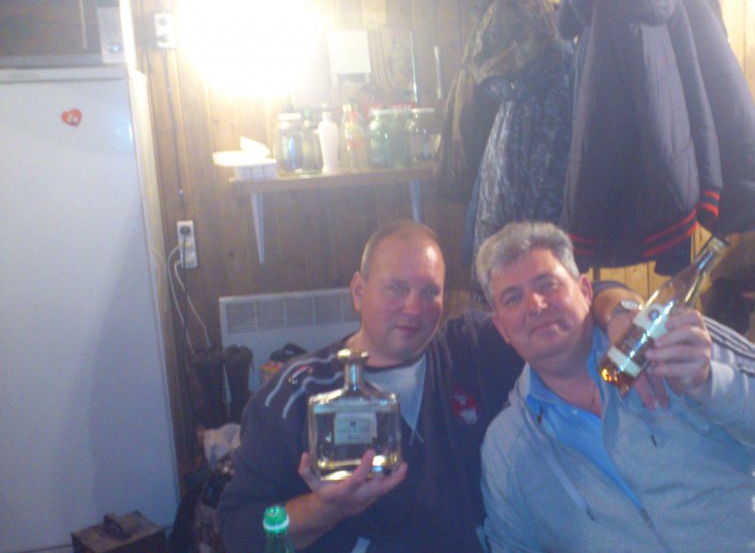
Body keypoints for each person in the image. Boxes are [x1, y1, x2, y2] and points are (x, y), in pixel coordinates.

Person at [218, 220, 638, 552]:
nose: (413, 308)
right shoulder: (296, 393)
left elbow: (575, 298)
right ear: (359, 291)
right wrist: (324, 509)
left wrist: (622, 313)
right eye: (396, 289)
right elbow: (238, 530)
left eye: (429, 292)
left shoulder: (471, 346)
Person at [475, 221, 755, 552]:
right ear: (502, 327)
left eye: (547, 284)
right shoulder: (507, 448)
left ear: (585, 290)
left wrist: (711, 383)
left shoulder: (670, 336)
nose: (535, 305)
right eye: (513, 298)